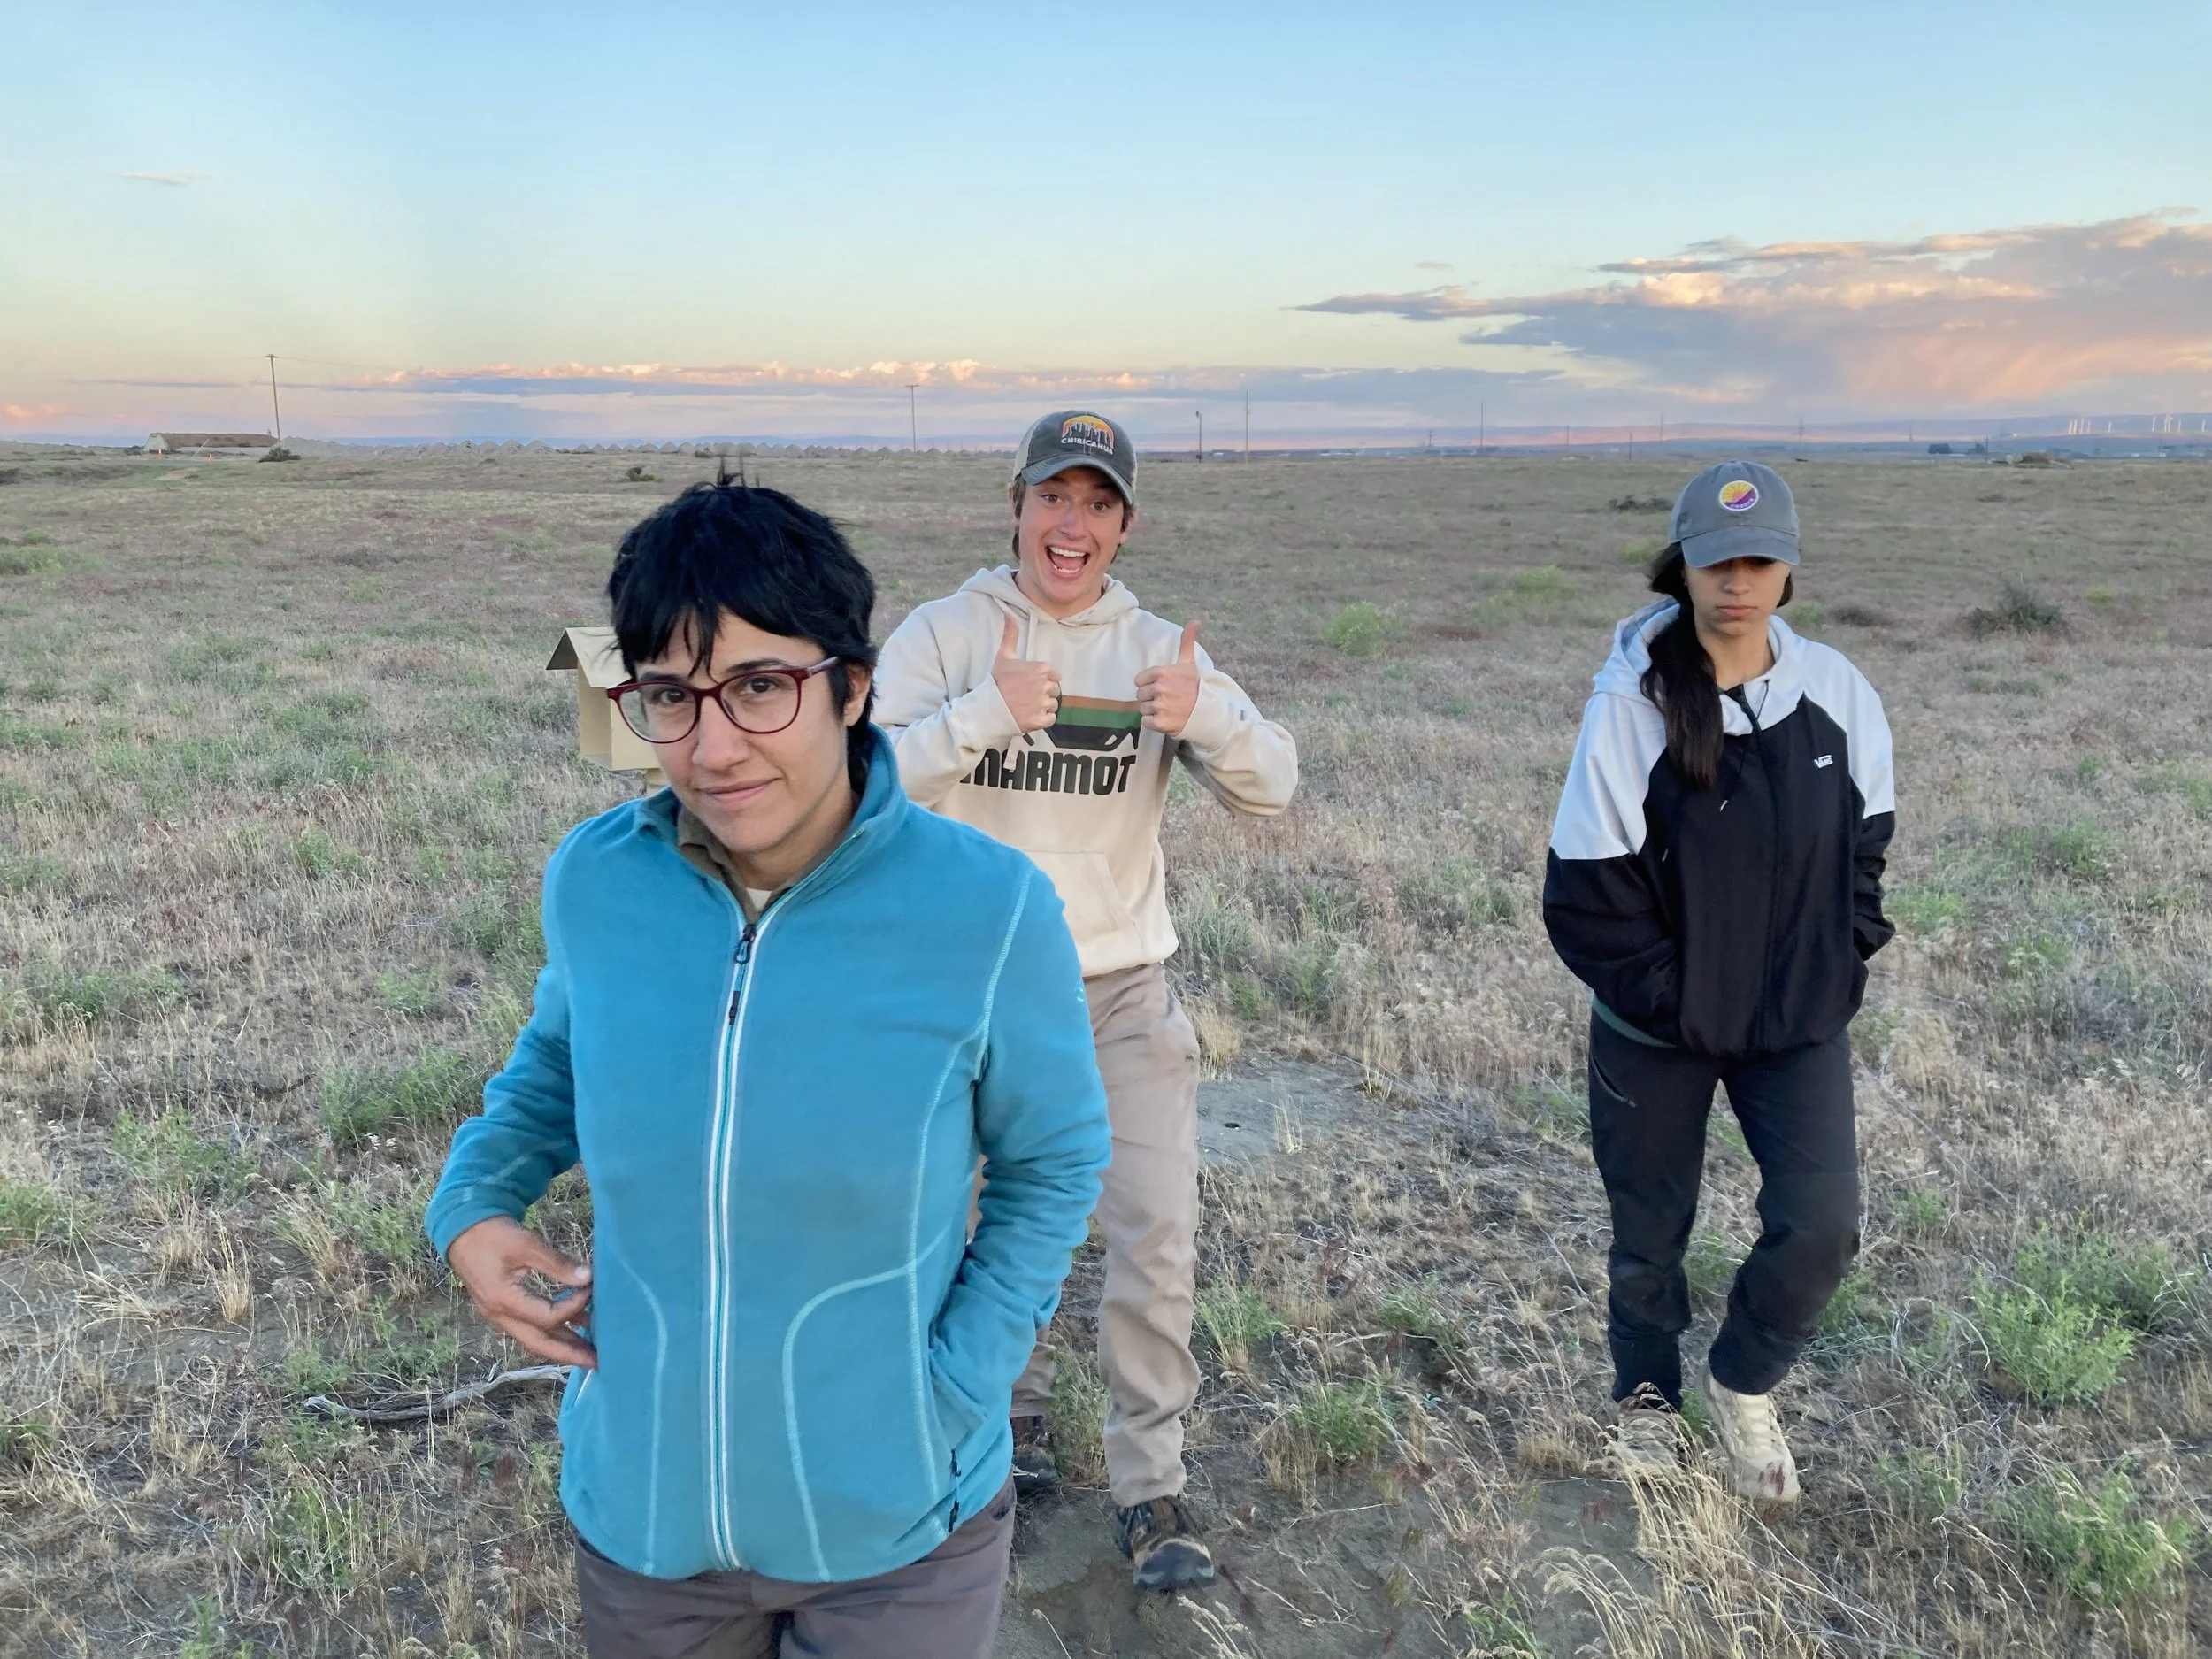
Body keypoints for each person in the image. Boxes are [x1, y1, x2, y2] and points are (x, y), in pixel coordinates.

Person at [425, 483, 1111, 1658]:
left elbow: (1055, 1161)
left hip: (904, 1531)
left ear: (852, 686)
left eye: (759, 685)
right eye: (669, 697)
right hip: (647, 1519)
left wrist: (950, 1392)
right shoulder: (597, 879)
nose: (713, 742)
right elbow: (553, 1060)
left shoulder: (988, 910)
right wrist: (473, 1203)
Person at [871, 410, 1298, 1590]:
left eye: (1096, 503)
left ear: (1123, 524)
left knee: (1156, 1232)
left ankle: (1150, 1485)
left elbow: (1276, 781)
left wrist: (1199, 709)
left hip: (1118, 991)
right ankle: (983, 1444)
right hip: (961, 989)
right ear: (1015, 503)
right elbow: (860, 781)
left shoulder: (1160, 649)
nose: (1073, 523)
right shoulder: (944, 633)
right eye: (1053, 497)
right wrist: (985, 714)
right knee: (954, 1233)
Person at [1540, 459, 1895, 1503]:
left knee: (1822, 1225)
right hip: (1657, 1033)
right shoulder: (1632, 701)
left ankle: (1743, 1384)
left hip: (1795, 1024)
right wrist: (1680, 1001)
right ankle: (1645, 1398)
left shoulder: (1837, 692)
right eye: (1715, 562)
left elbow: (1867, 850)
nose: (1735, 582)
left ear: (1787, 569)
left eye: (1757, 561)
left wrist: (1833, 957)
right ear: (1683, 568)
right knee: (1649, 1234)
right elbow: (1585, 894)